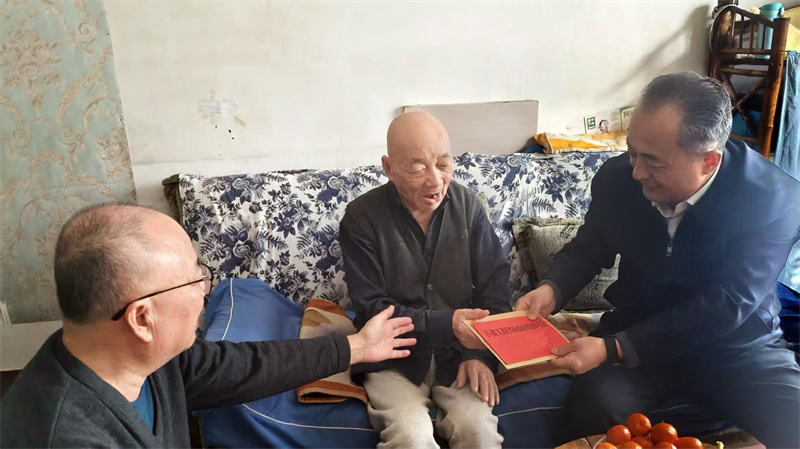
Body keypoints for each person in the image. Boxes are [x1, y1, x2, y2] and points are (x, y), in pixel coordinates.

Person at [515, 72, 800, 448]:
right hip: (637, 330)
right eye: (632, 151)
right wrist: (552, 288)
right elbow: (590, 246)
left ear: (709, 161)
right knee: (595, 404)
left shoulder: (772, 199)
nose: (637, 171)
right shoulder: (619, 179)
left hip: (735, 345)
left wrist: (614, 347)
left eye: (653, 161)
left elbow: (729, 302)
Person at [1, 204, 416, 447]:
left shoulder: (146, 360)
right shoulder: (65, 435)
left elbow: (242, 365)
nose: (205, 289)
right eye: (194, 278)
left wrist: (356, 348)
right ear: (142, 318)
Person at [339, 111, 511, 448]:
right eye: (418, 168)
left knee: (478, 432)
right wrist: (448, 323)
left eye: (444, 164)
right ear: (388, 167)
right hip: (393, 357)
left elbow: (495, 287)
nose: (435, 181)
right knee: (411, 437)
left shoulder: (468, 207)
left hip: (460, 353)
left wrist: (480, 356)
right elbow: (373, 308)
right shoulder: (361, 219)